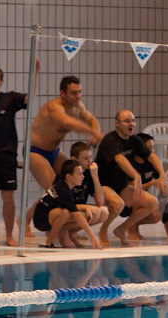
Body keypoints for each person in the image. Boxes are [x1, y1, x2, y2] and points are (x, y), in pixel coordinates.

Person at [25, 75, 102, 237]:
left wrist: (95, 131)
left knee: (70, 178)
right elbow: (67, 123)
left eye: (80, 92)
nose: (78, 96)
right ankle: (27, 221)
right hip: (35, 151)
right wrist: (92, 131)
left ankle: (65, 226)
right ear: (62, 93)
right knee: (55, 190)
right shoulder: (54, 107)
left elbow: (91, 119)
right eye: (74, 93)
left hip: (54, 152)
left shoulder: (78, 106)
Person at [0, 58, 38, 247]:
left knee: (8, 197)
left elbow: (30, 99)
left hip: (7, 155)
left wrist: (35, 74)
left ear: (1, 81)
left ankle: (9, 236)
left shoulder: (10, 99)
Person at [94, 110, 166, 246]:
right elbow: (119, 159)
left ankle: (122, 229)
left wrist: (162, 173)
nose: (131, 124)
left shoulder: (134, 140)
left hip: (121, 185)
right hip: (101, 184)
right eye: (127, 121)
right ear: (117, 123)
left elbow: (151, 155)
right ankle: (103, 231)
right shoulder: (110, 140)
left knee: (152, 202)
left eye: (133, 121)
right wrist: (135, 174)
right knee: (118, 204)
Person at [33, 160, 103, 249]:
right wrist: (92, 235)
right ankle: (50, 240)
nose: (83, 176)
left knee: (74, 214)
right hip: (41, 220)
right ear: (69, 177)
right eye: (79, 174)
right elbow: (76, 215)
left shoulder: (67, 186)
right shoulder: (63, 189)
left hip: (49, 216)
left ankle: (61, 234)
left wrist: (84, 208)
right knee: (66, 213)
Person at [68, 142, 110, 233]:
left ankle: (71, 233)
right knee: (95, 212)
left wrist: (95, 176)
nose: (90, 161)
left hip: (79, 208)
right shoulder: (68, 174)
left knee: (104, 212)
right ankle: (62, 232)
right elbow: (66, 204)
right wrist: (85, 207)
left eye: (90, 157)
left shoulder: (89, 173)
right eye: (85, 158)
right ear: (74, 159)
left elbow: (100, 202)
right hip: (65, 210)